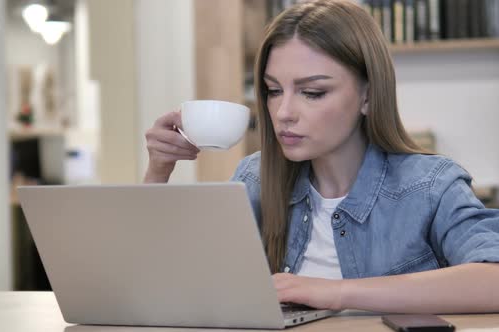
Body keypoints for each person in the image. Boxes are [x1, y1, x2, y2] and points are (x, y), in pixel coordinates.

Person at [143, 0, 499, 313]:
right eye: (273, 90)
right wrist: (158, 172)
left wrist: (334, 293)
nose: (283, 112)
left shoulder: (430, 185)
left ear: (368, 96)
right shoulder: (255, 179)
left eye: (312, 92)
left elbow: (493, 280)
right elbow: (175, 284)